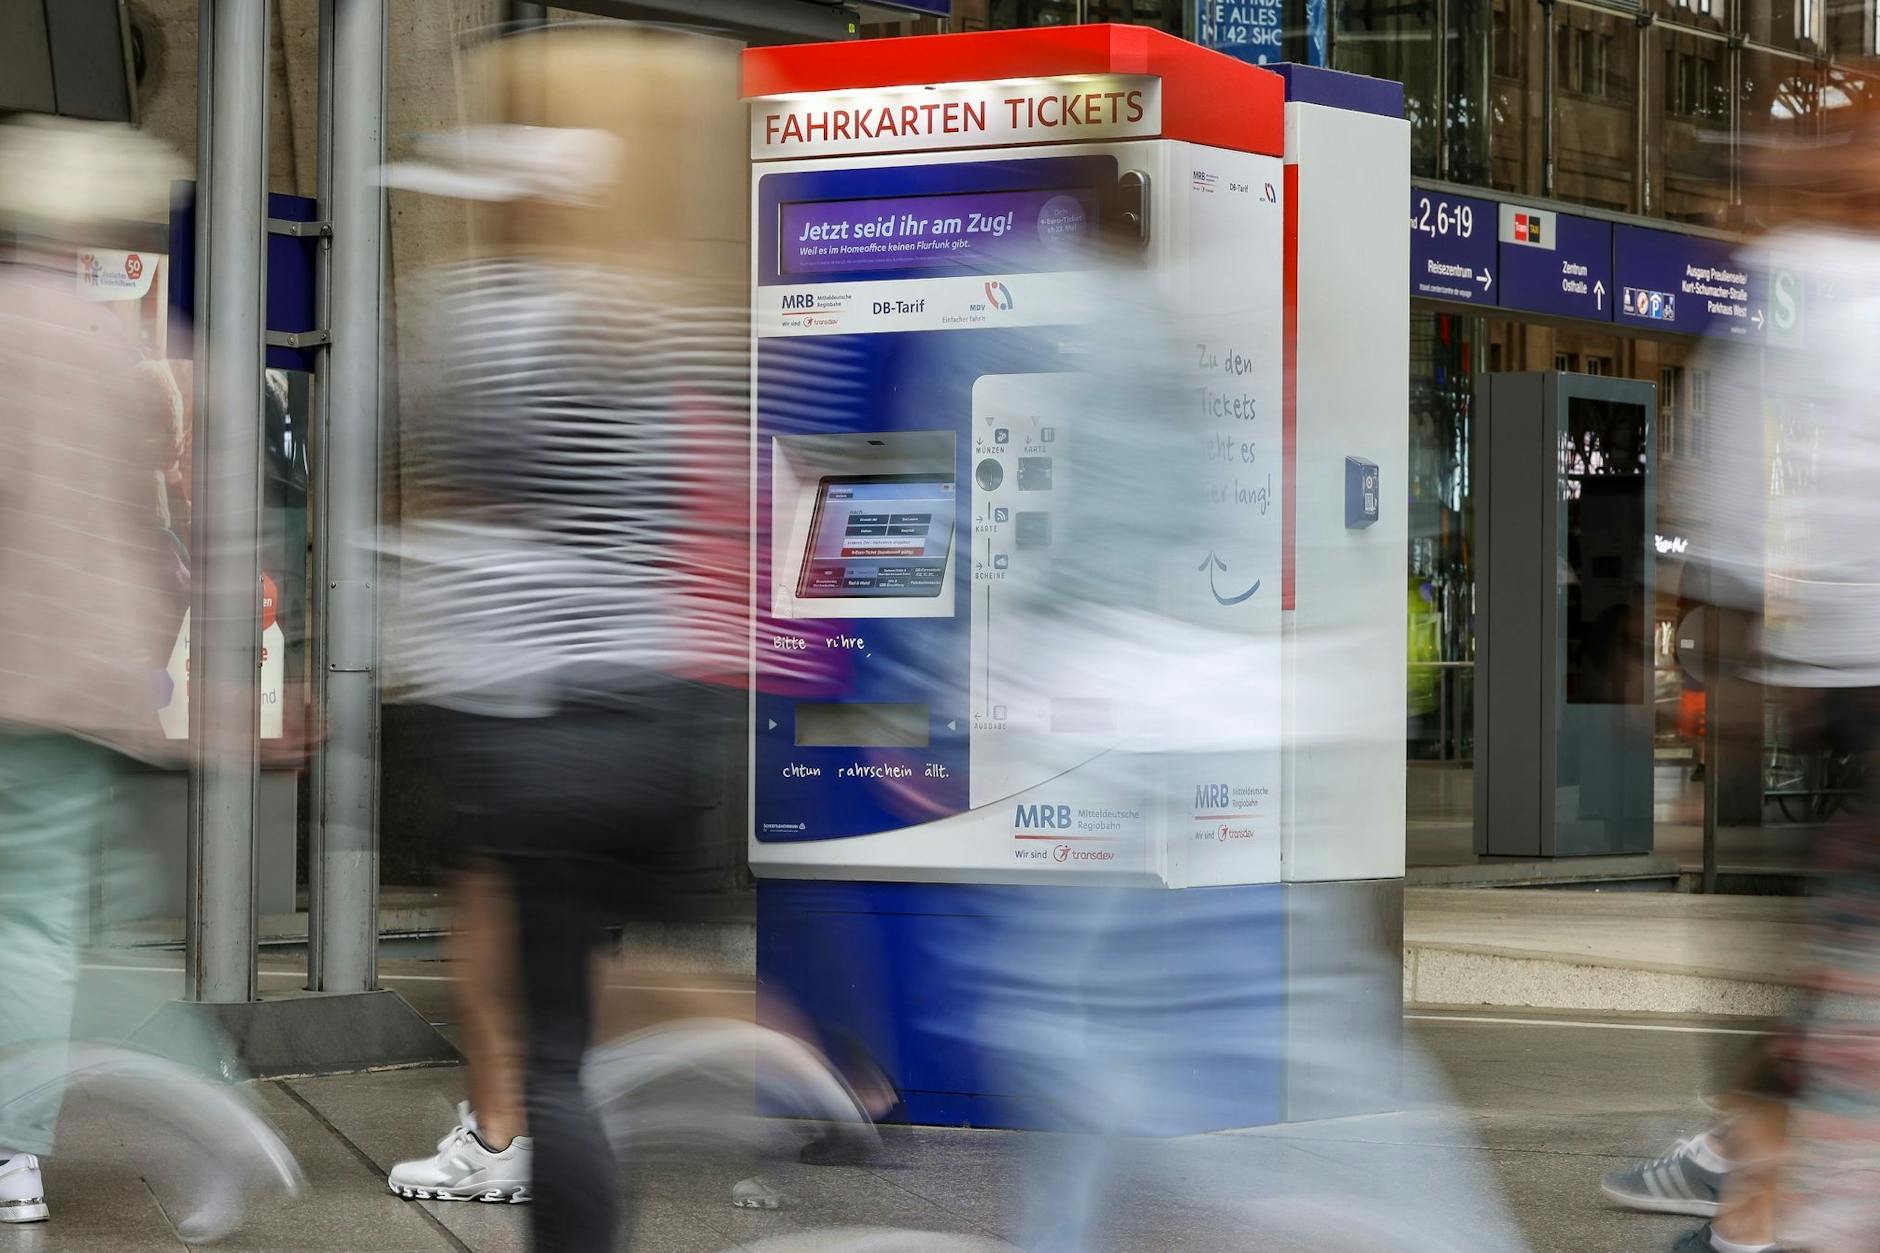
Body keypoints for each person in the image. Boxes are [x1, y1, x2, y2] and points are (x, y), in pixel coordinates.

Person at [380, 24, 769, 1249]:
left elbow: (437, 493)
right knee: (580, 1006)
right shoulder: (676, 317)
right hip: (654, 719)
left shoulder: (469, 317)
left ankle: (773, 1051)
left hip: (527, 725)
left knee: (548, 1042)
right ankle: (789, 1040)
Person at [1599, 103, 1880, 1253]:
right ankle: (1750, 1185)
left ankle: (1748, 1193)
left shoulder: (1808, 281)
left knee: (1836, 951)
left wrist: (1680, 638)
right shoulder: (1815, 278)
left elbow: (1727, 481)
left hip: (1845, 679)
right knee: (1836, 949)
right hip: (1843, 678)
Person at [0, 113, 181, 1224]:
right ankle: (10, 1150)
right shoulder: (123, 350)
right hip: (79, 683)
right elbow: (148, 525)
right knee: (35, 919)